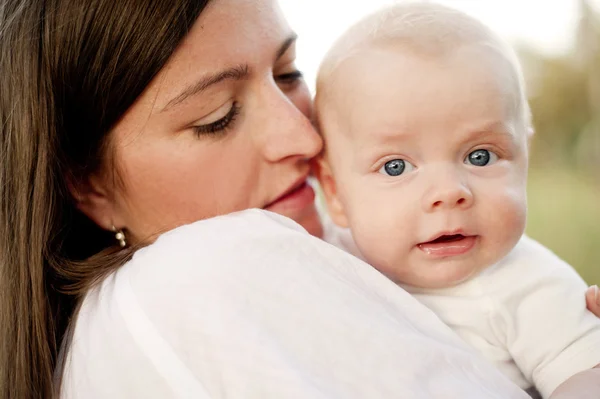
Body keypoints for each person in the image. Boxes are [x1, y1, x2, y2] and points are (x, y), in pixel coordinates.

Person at [0, 0, 598, 398]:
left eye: (288, 74)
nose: (306, 136)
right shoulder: (201, 272)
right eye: (217, 117)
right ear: (90, 185)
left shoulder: (370, 248)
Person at [313, 3, 600, 399]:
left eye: (480, 156)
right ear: (335, 193)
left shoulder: (528, 285)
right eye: (396, 166)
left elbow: (586, 376)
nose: (449, 191)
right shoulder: (321, 260)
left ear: (524, 158)